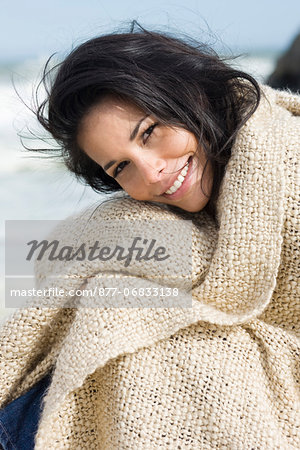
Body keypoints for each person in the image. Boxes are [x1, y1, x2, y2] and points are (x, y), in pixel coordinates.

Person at [0, 23, 299, 449]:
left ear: (190, 94)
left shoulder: (288, 164)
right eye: (120, 168)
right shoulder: (190, 204)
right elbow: (55, 254)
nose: (151, 171)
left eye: (149, 132)